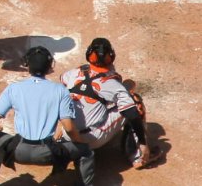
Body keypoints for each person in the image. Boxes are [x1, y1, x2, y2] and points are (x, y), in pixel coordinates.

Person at [0, 45, 87, 186]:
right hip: (48, 153)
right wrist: (81, 145)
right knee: (85, 151)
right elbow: (69, 128)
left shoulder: (13, 88)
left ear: (27, 65)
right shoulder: (60, 90)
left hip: (18, 151)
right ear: (49, 66)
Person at [61, 37, 152, 170]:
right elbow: (132, 114)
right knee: (134, 102)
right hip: (90, 139)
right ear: (111, 56)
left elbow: (63, 81)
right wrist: (143, 142)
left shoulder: (73, 73)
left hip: (64, 131)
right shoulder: (112, 84)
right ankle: (139, 156)